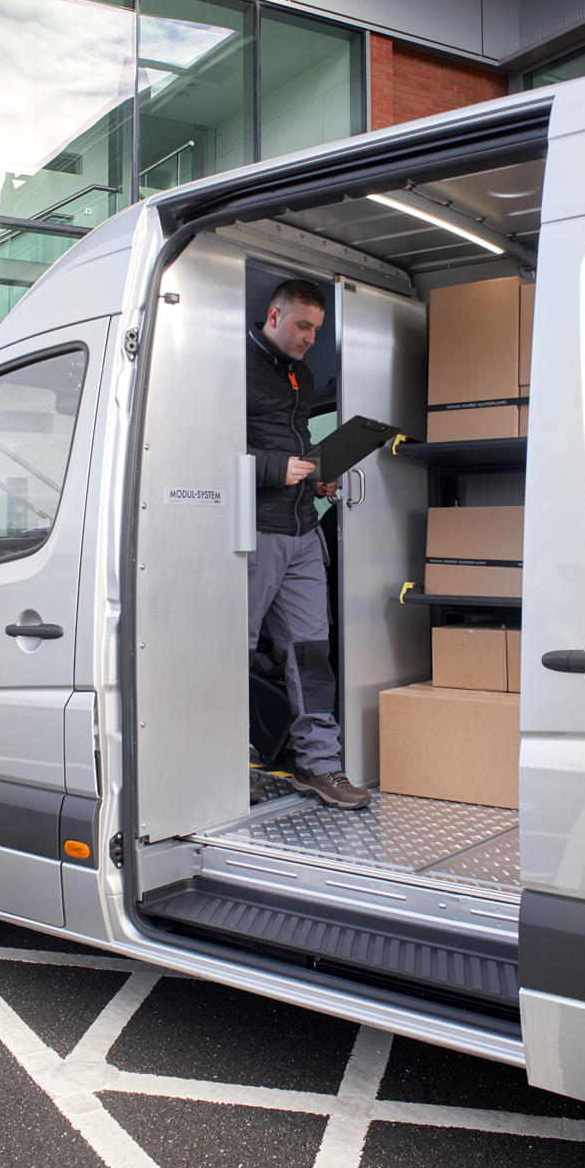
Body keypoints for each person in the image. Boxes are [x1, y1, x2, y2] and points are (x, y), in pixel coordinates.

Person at [247, 278, 371, 811]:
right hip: (249, 532)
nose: (310, 338)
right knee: (230, 653)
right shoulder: (228, 367)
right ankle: (227, 759)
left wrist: (318, 475)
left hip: (300, 531)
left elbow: (294, 445)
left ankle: (319, 767)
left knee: (311, 656)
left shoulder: (304, 374)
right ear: (274, 318)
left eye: (317, 329)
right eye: (302, 326)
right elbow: (194, 444)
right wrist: (280, 468)